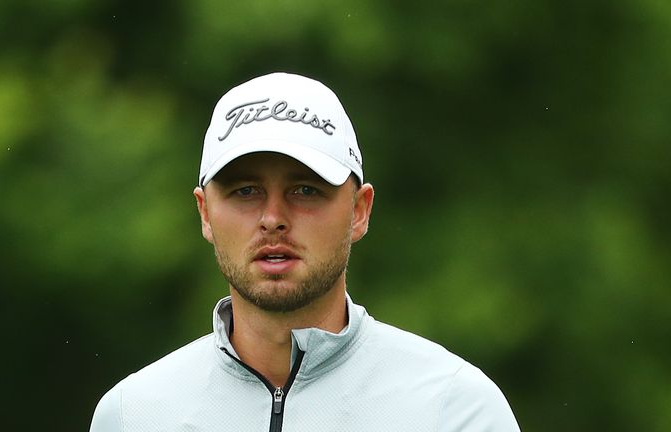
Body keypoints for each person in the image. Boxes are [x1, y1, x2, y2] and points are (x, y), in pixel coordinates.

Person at [89, 72, 520, 431]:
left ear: (359, 210)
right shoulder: (132, 415)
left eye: (305, 189)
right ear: (204, 213)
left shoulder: (455, 410)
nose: (273, 217)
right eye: (245, 191)